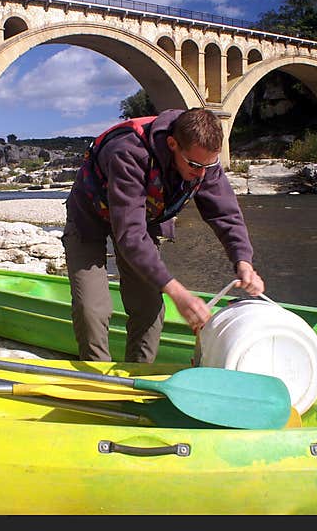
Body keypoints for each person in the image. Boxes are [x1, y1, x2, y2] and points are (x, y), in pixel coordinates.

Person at [62, 107, 265, 363]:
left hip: (144, 218)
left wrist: (243, 261)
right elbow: (130, 236)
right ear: (172, 144)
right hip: (90, 216)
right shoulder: (128, 152)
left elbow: (225, 213)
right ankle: (97, 378)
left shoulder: (203, 159)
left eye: (208, 166)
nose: (201, 174)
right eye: (193, 165)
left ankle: (137, 374)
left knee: (149, 309)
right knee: (92, 309)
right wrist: (178, 293)